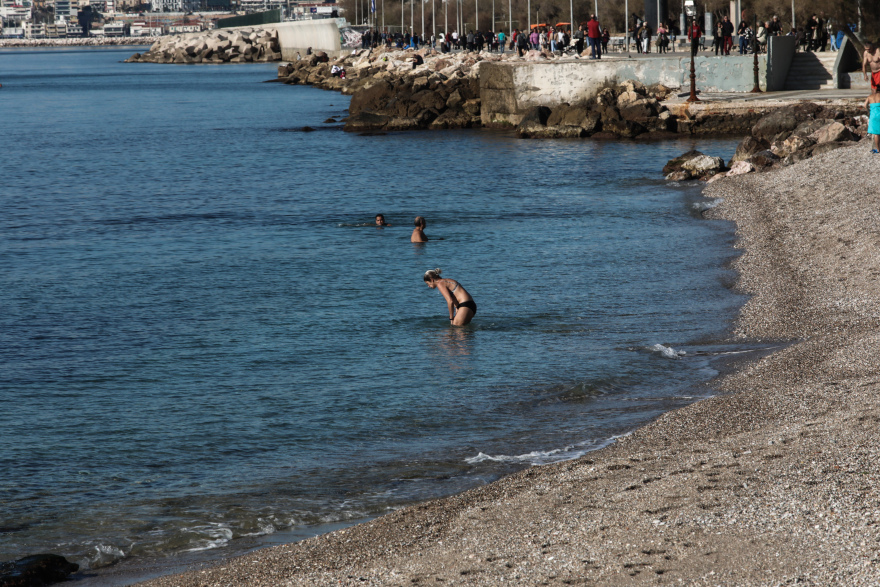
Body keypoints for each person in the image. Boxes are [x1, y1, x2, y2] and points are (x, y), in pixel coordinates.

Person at [865, 88, 880, 154]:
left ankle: (878, 149)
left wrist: (869, 111)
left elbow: (865, 105)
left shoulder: (869, 97)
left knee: (876, 134)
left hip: (873, 116)